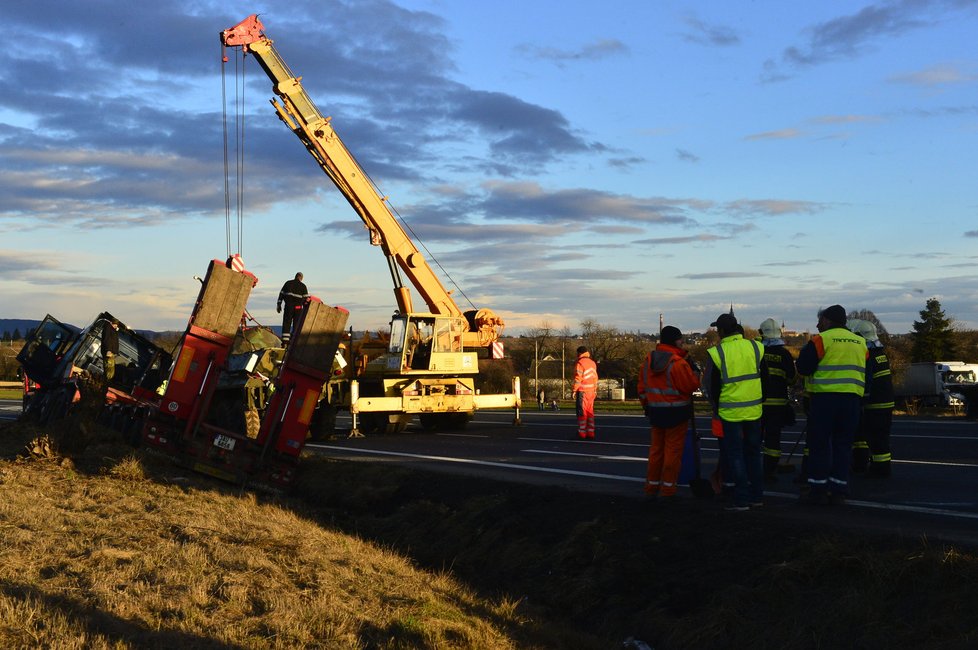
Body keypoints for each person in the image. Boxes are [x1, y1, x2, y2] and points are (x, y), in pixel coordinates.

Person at [795, 305, 868, 505]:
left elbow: (803, 367)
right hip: (852, 400)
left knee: (820, 445)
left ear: (827, 320)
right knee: (843, 445)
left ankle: (818, 489)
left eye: (820, 321)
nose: (818, 325)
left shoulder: (821, 340)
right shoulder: (861, 342)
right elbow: (865, 371)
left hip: (825, 399)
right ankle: (839, 489)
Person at [704, 313, 764, 511]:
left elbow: (712, 386)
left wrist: (716, 407)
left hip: (730, 412)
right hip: (754, 409)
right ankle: (757, 496)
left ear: (721, 331)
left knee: (735, 455)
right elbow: (762, 376)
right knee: (754, 453)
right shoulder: (756, 347)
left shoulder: (717, 352)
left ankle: (741, 499)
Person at [638, 326, 700, 500]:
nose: (682, 342)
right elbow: (691, 385)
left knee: (656, 450)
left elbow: (641, 388)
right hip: (677, 413)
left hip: (656, 412)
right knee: (673, 452)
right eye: (680, 339)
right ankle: (668, 489)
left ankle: (651, 487)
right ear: (675, 340)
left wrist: (647, 405)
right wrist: (695, 371)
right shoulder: (678, 363)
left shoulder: (648, 361)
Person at [849, 319, 894, 478]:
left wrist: (860, 399)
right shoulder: (880, 354)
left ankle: (880, 469)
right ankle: (879, 466)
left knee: (875, 438)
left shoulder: (867, 356)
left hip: (874, 403)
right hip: (885, 401)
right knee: (880, 436)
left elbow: (866, 380)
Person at [757, 318, 797, 482]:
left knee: (753, 437)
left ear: (762, 333)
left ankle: (750, 468)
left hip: (757, 403)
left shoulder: (757, 351)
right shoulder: (784, 354)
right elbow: (792, 379)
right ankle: (769, 471)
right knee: (773, 439)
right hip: (778, 404)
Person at [572, 345, 598, 439]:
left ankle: (582, 433)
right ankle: (591, 432)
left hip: (583, 391)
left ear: (579, 353)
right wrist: (595, 390)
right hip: (591, 392)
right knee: (590, 412)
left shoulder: (580, 363)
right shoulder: (592, 363)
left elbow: (578, 378)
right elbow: (595, 378)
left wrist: (574, 390)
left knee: (582, 412)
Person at [276, 272, 309, 344]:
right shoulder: (303, 286)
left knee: (286, 323)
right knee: (296, 324)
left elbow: (281, 294)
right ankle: (294, 340)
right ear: (301, 278)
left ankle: (285, 341)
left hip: (288, 306)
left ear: (295, 276)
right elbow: (306, 300)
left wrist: (279, 304)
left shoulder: (288, 283)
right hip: (298, 308)